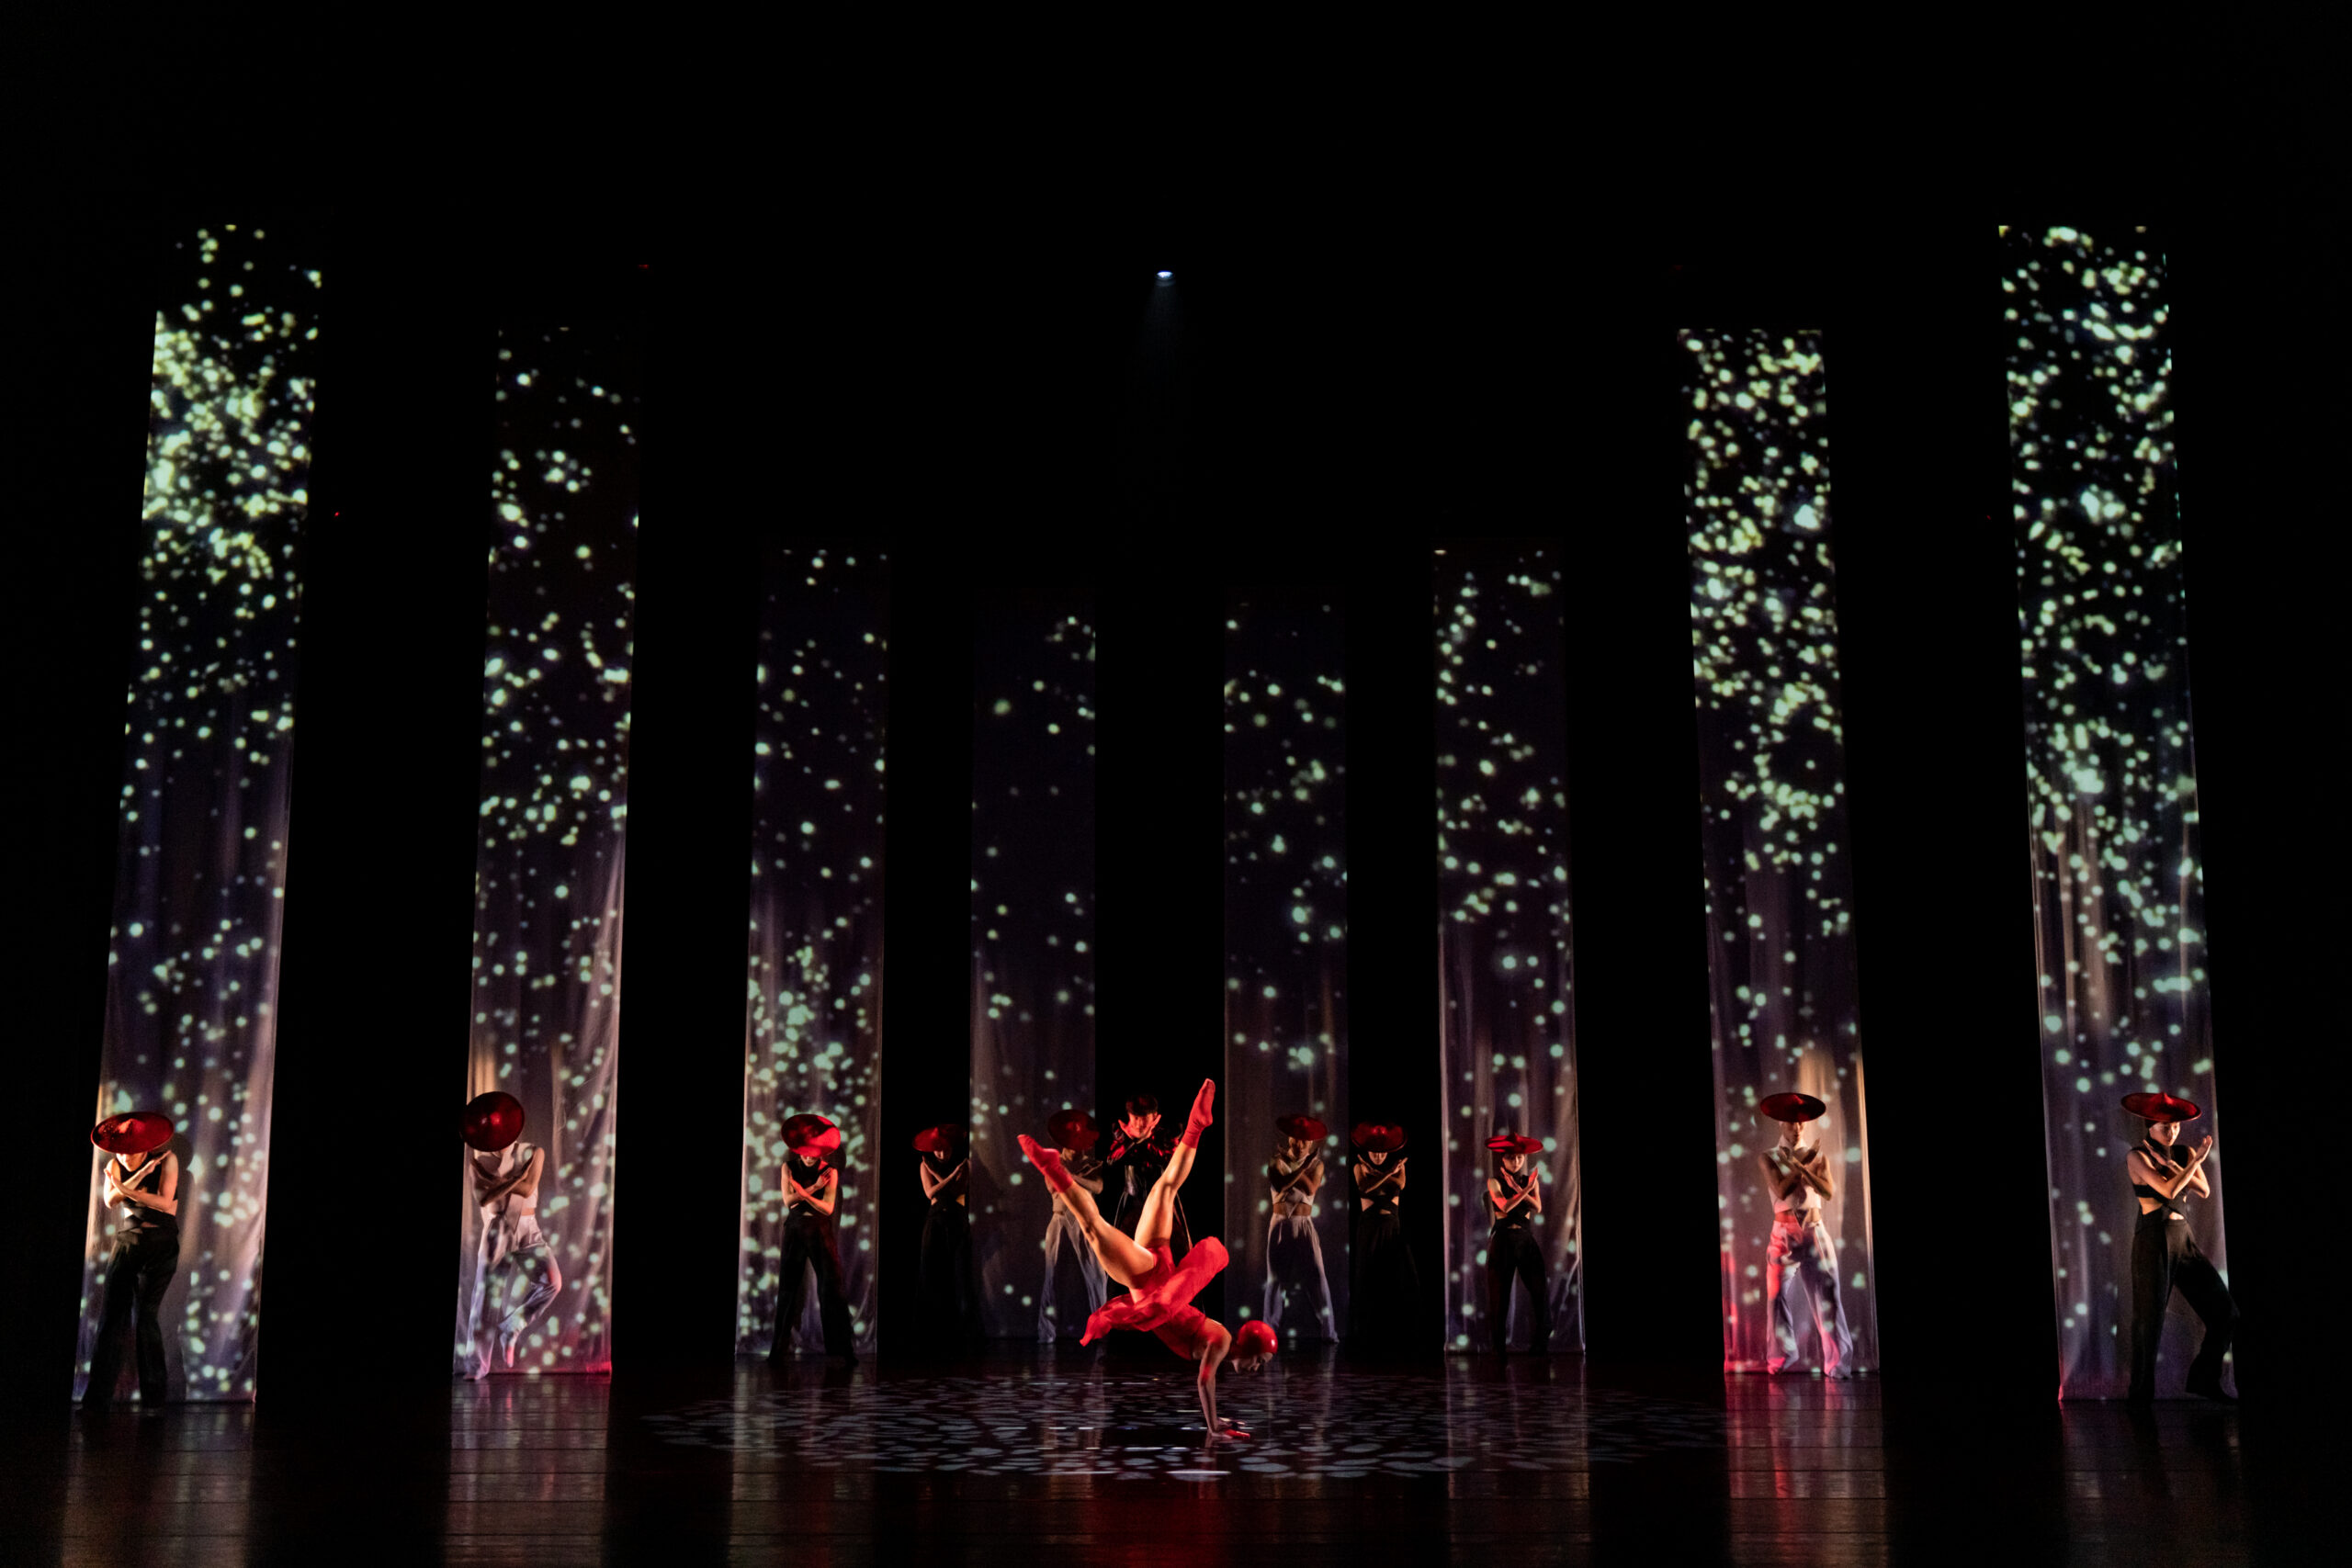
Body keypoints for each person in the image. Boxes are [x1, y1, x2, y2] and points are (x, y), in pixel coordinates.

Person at [1018, 1080, 1274, 1444]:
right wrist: (1214, 1425)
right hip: (1148, 1281)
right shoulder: (1220, 1341)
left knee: (1165, 1187)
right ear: (1247, 1348)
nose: (1256, 1369)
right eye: (1259, 1361)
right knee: (1095, 1227)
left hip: (1159, 1267)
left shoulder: (1220, 1338)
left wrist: (1216, 1418)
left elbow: (1205, 1376)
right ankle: (1052, 1168)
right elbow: (1204, 1382)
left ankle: (1197, 1124)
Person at [2122, 1091, 2236, 1404]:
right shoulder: (2137, 1156)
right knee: (2148, 1322)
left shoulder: (2184, 1153)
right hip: (2152, 1238)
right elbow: (2168, 1190)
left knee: (2225, 1312)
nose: (2171, 1132)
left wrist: (2177, 1163)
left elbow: (2204, 1189)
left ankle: (2204, 1380)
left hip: (2182, 1237)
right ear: (2150, 1127)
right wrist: (2195, 1161)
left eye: (2175, 1126)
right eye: (2164, 1127)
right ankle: (2140, 1398)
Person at [459, 1091, 563, 1380]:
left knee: (552, 1282)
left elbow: (528, 1188)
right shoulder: (478, 1161)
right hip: (498, 1229)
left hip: (529, 1227)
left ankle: (512, 1326)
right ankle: (476, 1366)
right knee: (486, 1297)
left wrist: (498, 1182)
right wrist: (514, 1178)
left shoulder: (533, 1152)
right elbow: (484, 1198)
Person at [84, 1113, 180, 1409]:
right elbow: (109, 1201)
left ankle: (154, 1402)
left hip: (161, 1245)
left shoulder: (167, 1160)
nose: (125, 1158)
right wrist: (135, 1179)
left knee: (147, 1319)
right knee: (113, 1318)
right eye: (121, 1152)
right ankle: (97, 1399)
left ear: (146, 1148)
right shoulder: (114, 1164)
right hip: (128, 1243)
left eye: (132, 1153)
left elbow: (165, 1203)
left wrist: (124, 1188)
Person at [1756, 1092, 1852, 1378]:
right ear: (1780, 1124)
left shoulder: (1818, 1156)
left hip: (1814, 1232)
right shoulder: (1769, 1157)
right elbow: (1782, 1189)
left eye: (1800, 1123)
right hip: (1783, 1235)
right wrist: (1803, 1165)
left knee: (1829, 1298)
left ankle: (1838, 1366)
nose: (1796, 1128)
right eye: (1790, 1123)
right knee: (1775, 1297)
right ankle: (1781, 1357)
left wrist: (1804, 1165)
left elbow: (1828, 1191)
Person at [773, 1112, 855, 1365]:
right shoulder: (788, 1167)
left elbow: (827, 1208)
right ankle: (778, 1351)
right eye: (804, 1153)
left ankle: (842, 1351)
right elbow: (789, 1202)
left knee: (832, 1288)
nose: (808, 1158)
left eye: (812, 1154)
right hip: (795, 1229)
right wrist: (812, 1189)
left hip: (820, 1229)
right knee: (788, 1289)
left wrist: (804, 1193)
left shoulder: (830, 1171)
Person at [1036, 1108, 1108, 1342]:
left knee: (1096, 1275)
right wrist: (1070, 1176)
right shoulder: (1053, 1161)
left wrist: (1070, 1176)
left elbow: (1098, 1187)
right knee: (1052, 1276)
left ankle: (1101, 1330)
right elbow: (1052, 1186)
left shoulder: (1093, 1164)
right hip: (1059, 1218)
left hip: (1085, 1221)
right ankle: (1046, 1333)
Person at [1263, 1114, 1337, 1341]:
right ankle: (1268, 1331)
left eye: (1305, 1140)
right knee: (1275, 1280)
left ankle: (1328, 1332)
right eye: (1296, 1138)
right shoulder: (1275, 1161)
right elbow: (1280, 1184)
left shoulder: (1317, 1164)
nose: (1300, 1144)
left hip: (1304, 1225)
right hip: (1280, 1225)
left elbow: (1311, 1189)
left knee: (1317, 1277)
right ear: (1289, 1138)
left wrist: (1299, 1166)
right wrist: (1301, 1166)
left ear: (1311, 1143)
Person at [1349, 1122, 1419, 1356]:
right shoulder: (1359, 1167)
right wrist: (1387, 1174)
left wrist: (1380, 1174)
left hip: (1392, 1227)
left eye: (1382, 1152)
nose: (1378, 1156)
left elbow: (1401, 1184)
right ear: (1367, 1151)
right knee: (1368, 1278)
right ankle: (1366, 1336)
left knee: (1398, 1277)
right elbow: (1365, 1187)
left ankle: (1397, 1335)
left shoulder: (1398, 1167)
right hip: (1370, 1227)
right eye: (1374, 1152)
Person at [914, 1124, 983, 1355]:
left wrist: (943, 1176)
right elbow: (930, 1193)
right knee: (931, 1275)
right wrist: (947, 1177)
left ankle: (966, 1336)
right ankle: (932, 1333)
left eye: (945, 1149)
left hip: (957, 1220)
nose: (941, 1154)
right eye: (937, 1150)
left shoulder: (964, 1164)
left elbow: (955, 1193)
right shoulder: (925, 1164)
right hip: (935, 1221)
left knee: (961, 1277)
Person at [1484, 1133, 1552, 1356]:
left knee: (1539, 1290)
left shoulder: (1529, 1181)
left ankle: (1540, 1343)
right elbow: (1504, 1206)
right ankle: (1499, 1348)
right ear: (1503, 1159)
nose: (1516, 1162)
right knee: (1499, 1295)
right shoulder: (1494, 1181)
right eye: (1512, 1158)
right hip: (1503, 1241)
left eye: (1520, 1158)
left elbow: (1538, 1207)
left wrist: (1523, 1187)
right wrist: (1520, 1189)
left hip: (1525, 1239)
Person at [1104, 1092, 1192, 1264]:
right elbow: (1112, 1160)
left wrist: (1145, 1139)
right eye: (1135, 1117)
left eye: (1144, 1118)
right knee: (1125, 1252)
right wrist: (1132, 1141)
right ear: (1129, 1116)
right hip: (1133, 1201)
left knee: (1175, 1248)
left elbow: (1172, 1160)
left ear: (1155, 1117)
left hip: (1162, 1201)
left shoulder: (1168, 1134)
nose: (1139, 1123)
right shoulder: (1123, 1134)